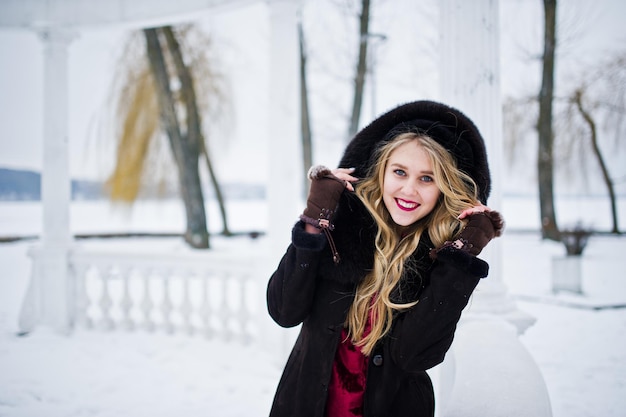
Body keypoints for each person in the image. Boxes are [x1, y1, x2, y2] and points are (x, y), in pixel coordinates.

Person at [266, 100, 504, 417]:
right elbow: (284, 310)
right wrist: (315, 219)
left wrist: (463, 252)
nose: (409, 190)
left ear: (444, 187)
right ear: (381, 171)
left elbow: (415, 356)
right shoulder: (341, 229)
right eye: (400, 172)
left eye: (427, 178)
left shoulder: (440, 258)